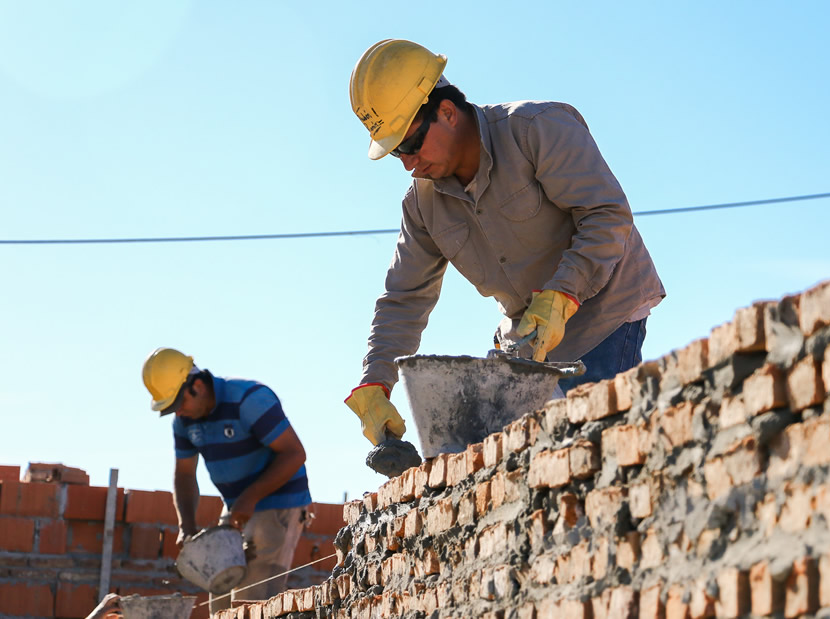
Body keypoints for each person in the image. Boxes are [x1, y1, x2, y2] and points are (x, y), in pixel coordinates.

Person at [344, 39, 666, 447]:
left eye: (409, 144)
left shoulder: (538, 129)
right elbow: (404, 299)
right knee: (514, 462)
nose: (408, 162)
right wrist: (376, 380)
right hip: (528, 338)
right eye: (395, 153)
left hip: (606, 309)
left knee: (593, 447)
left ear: (446, 112)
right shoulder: (422, 204)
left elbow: (606, 215)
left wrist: (564, 293)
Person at [141, 347, 312, 613]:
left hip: (278, 503)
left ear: (197, 386)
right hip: (237, 505)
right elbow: (184, 475)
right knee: (219, 600)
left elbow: (294, 454)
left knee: (253, 601)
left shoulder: (249, 399)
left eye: (179, 403)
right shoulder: (184, 422)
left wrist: (250, 498)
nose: (179, 413)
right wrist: (186, 525)